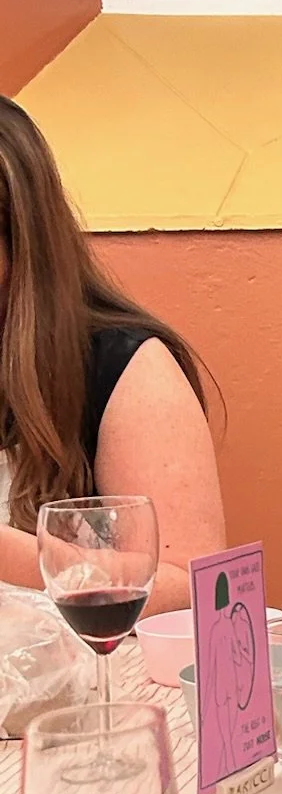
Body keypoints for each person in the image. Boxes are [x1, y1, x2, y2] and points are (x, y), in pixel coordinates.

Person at [0, 98, 224, 611]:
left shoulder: (126, 367)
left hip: (83, 683)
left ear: (21, 239)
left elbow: (195, 592)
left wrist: (12, 555)